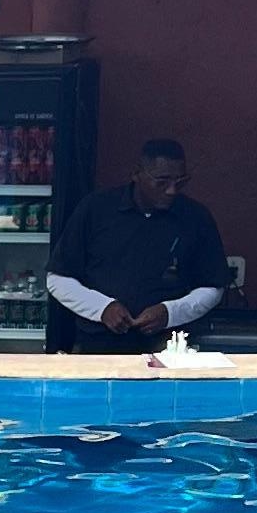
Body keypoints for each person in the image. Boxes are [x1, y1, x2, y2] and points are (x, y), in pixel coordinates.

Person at [46, 137, 230, 355]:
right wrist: (102, 308)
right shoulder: (96, 210)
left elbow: (213, 287)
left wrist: (170, 312)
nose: (171, 190)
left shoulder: (195, 217)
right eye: (162, 182)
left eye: (180, 182)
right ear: (137, 174)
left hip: (170, 347)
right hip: (99, 345)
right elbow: (58, 278)